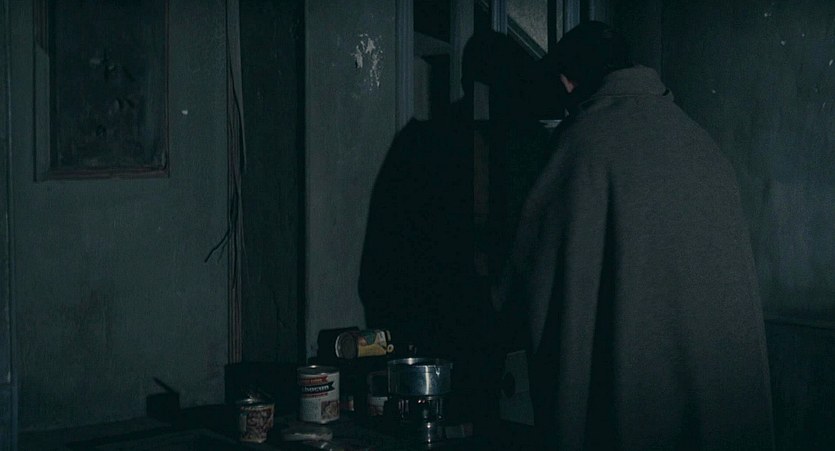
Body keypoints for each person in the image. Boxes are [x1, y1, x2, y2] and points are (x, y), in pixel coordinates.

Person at [495, 22, 775, 450]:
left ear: (568, 81)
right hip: (714, 396)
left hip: (631, 400)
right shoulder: (700, 142)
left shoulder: (581, 147)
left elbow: (530, 280)